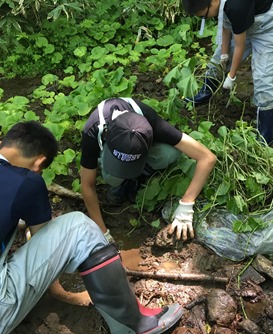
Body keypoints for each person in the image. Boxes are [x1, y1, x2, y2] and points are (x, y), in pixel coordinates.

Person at [0, 121, 183, 334]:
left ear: (0, 144)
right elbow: (47, 241)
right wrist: (61, 290)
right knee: (79, 228)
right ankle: (134, 326)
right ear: (38, 164)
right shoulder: (26, 181)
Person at [80, 97, 216, 242]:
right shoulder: (94, 129)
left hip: (142, 146)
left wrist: (186, 205)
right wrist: (103, 232)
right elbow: (87, 184)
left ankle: (138, 175)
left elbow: (207, 158)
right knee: (112, 177)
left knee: (169, 154)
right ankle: (120, 181)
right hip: (111, 146)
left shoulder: (152, 122)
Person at [182, 0, 273, 144]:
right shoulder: (221, 5)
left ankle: (266, 134)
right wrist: (223, 55)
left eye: (205, 15)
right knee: (216, 61)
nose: (207, 18)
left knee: (264, 79)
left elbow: (239, 47)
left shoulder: (236, 6)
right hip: (247, 17)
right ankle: (206, 91)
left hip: (272, 22)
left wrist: (231, 76)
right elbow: (225, 25)